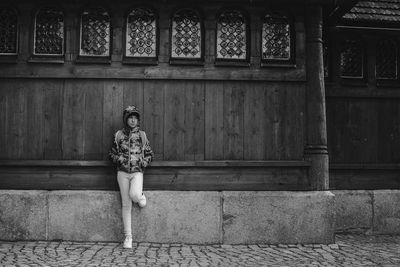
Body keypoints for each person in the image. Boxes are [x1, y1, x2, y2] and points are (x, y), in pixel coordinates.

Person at [109, 105, 154, 249]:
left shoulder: (142, 136)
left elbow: (150, 154)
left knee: (134, 195)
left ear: (138, 120)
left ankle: (140, 196)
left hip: (137, 172)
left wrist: (143, 162)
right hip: (122, 173)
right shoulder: (118, 135)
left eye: (135, 118)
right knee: (126, 205)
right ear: (126, 120)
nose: (133, 120)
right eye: (130, 118)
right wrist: (118, 159)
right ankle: (128, 237)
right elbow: (111, 154)